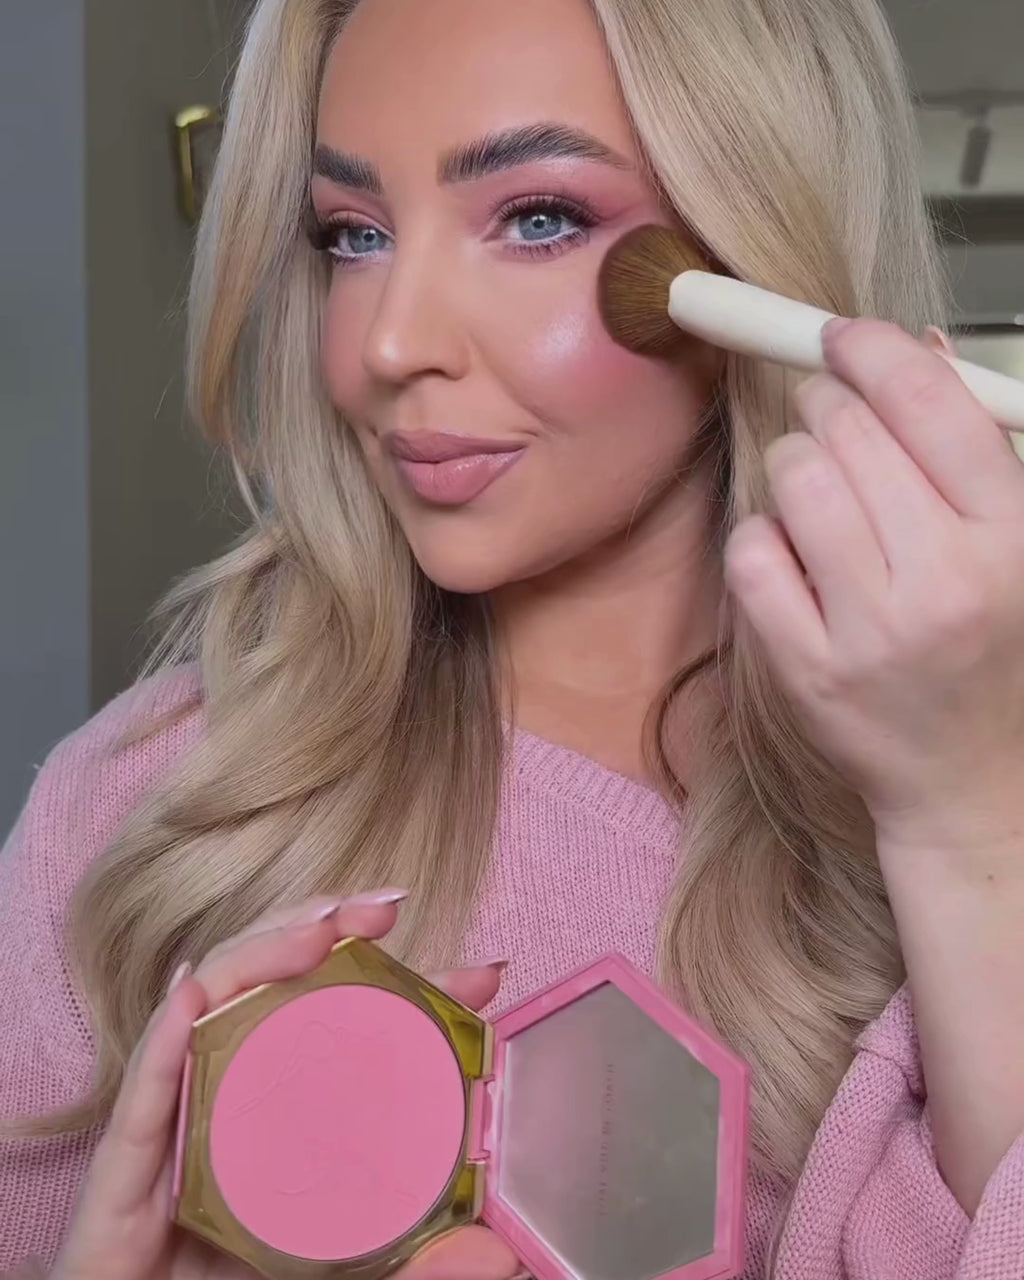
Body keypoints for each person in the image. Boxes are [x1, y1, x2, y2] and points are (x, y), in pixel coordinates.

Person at [2, 0, 1023, 1275]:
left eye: (538, 219)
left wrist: (966, 824)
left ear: (760, 244)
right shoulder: (157, 803)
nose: (391, 342)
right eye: (353, 234)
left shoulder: (963, 803)